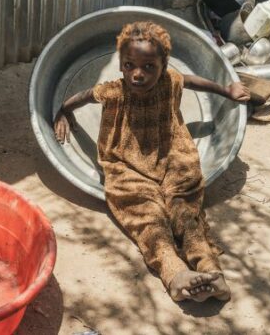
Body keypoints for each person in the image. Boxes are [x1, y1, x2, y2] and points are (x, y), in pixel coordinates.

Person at [53, 21, 250, 303]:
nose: (138, 74)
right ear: (121, 65)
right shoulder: (113, 91)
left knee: (184, 213)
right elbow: (83, 97)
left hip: (171, 155)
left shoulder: (171, 80)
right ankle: (176, 274)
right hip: (127, 164)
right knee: (148, 217)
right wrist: (62, 111)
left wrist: (226, 90)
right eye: (130, 65)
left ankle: (210, 269)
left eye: (148, 67)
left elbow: (192, 80)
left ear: (163, 65)